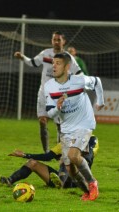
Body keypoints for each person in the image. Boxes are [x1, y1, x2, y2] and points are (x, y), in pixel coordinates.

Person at [44, 52, 105, 201]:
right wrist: (57, 108)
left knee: (73, 155)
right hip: (66, 128)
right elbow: (50, 113)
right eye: (53, 63)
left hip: (85, 123)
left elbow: (97, 82)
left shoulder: (79, 80)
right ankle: (86, 192)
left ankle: (92, 183)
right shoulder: (49, 86)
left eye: (58, 63)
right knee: (69, 168)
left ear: (67, 67)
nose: (54, 66)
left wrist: (100, 101)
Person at [14, 31, 81, 153]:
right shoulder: (45, 54)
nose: (56, 42)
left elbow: (78, 72)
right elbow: (33, 62)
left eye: (58, 40)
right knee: (42, 121)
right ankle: (46, 152)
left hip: (60, 95)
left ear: (63, 42)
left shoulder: (68, 57)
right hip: (44, 93)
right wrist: (22, 57)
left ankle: (60, 151)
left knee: (60, 124)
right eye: (54, 40)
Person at [0, 136, 99, 189]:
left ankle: (61, 183)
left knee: (68, 160)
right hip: (63, 176)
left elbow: (88, 160)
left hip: (79, 181)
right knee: (32, 163)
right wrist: (24, 155)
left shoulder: (92, 139)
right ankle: (8, 181)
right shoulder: (67, 140)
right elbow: (48, 156)